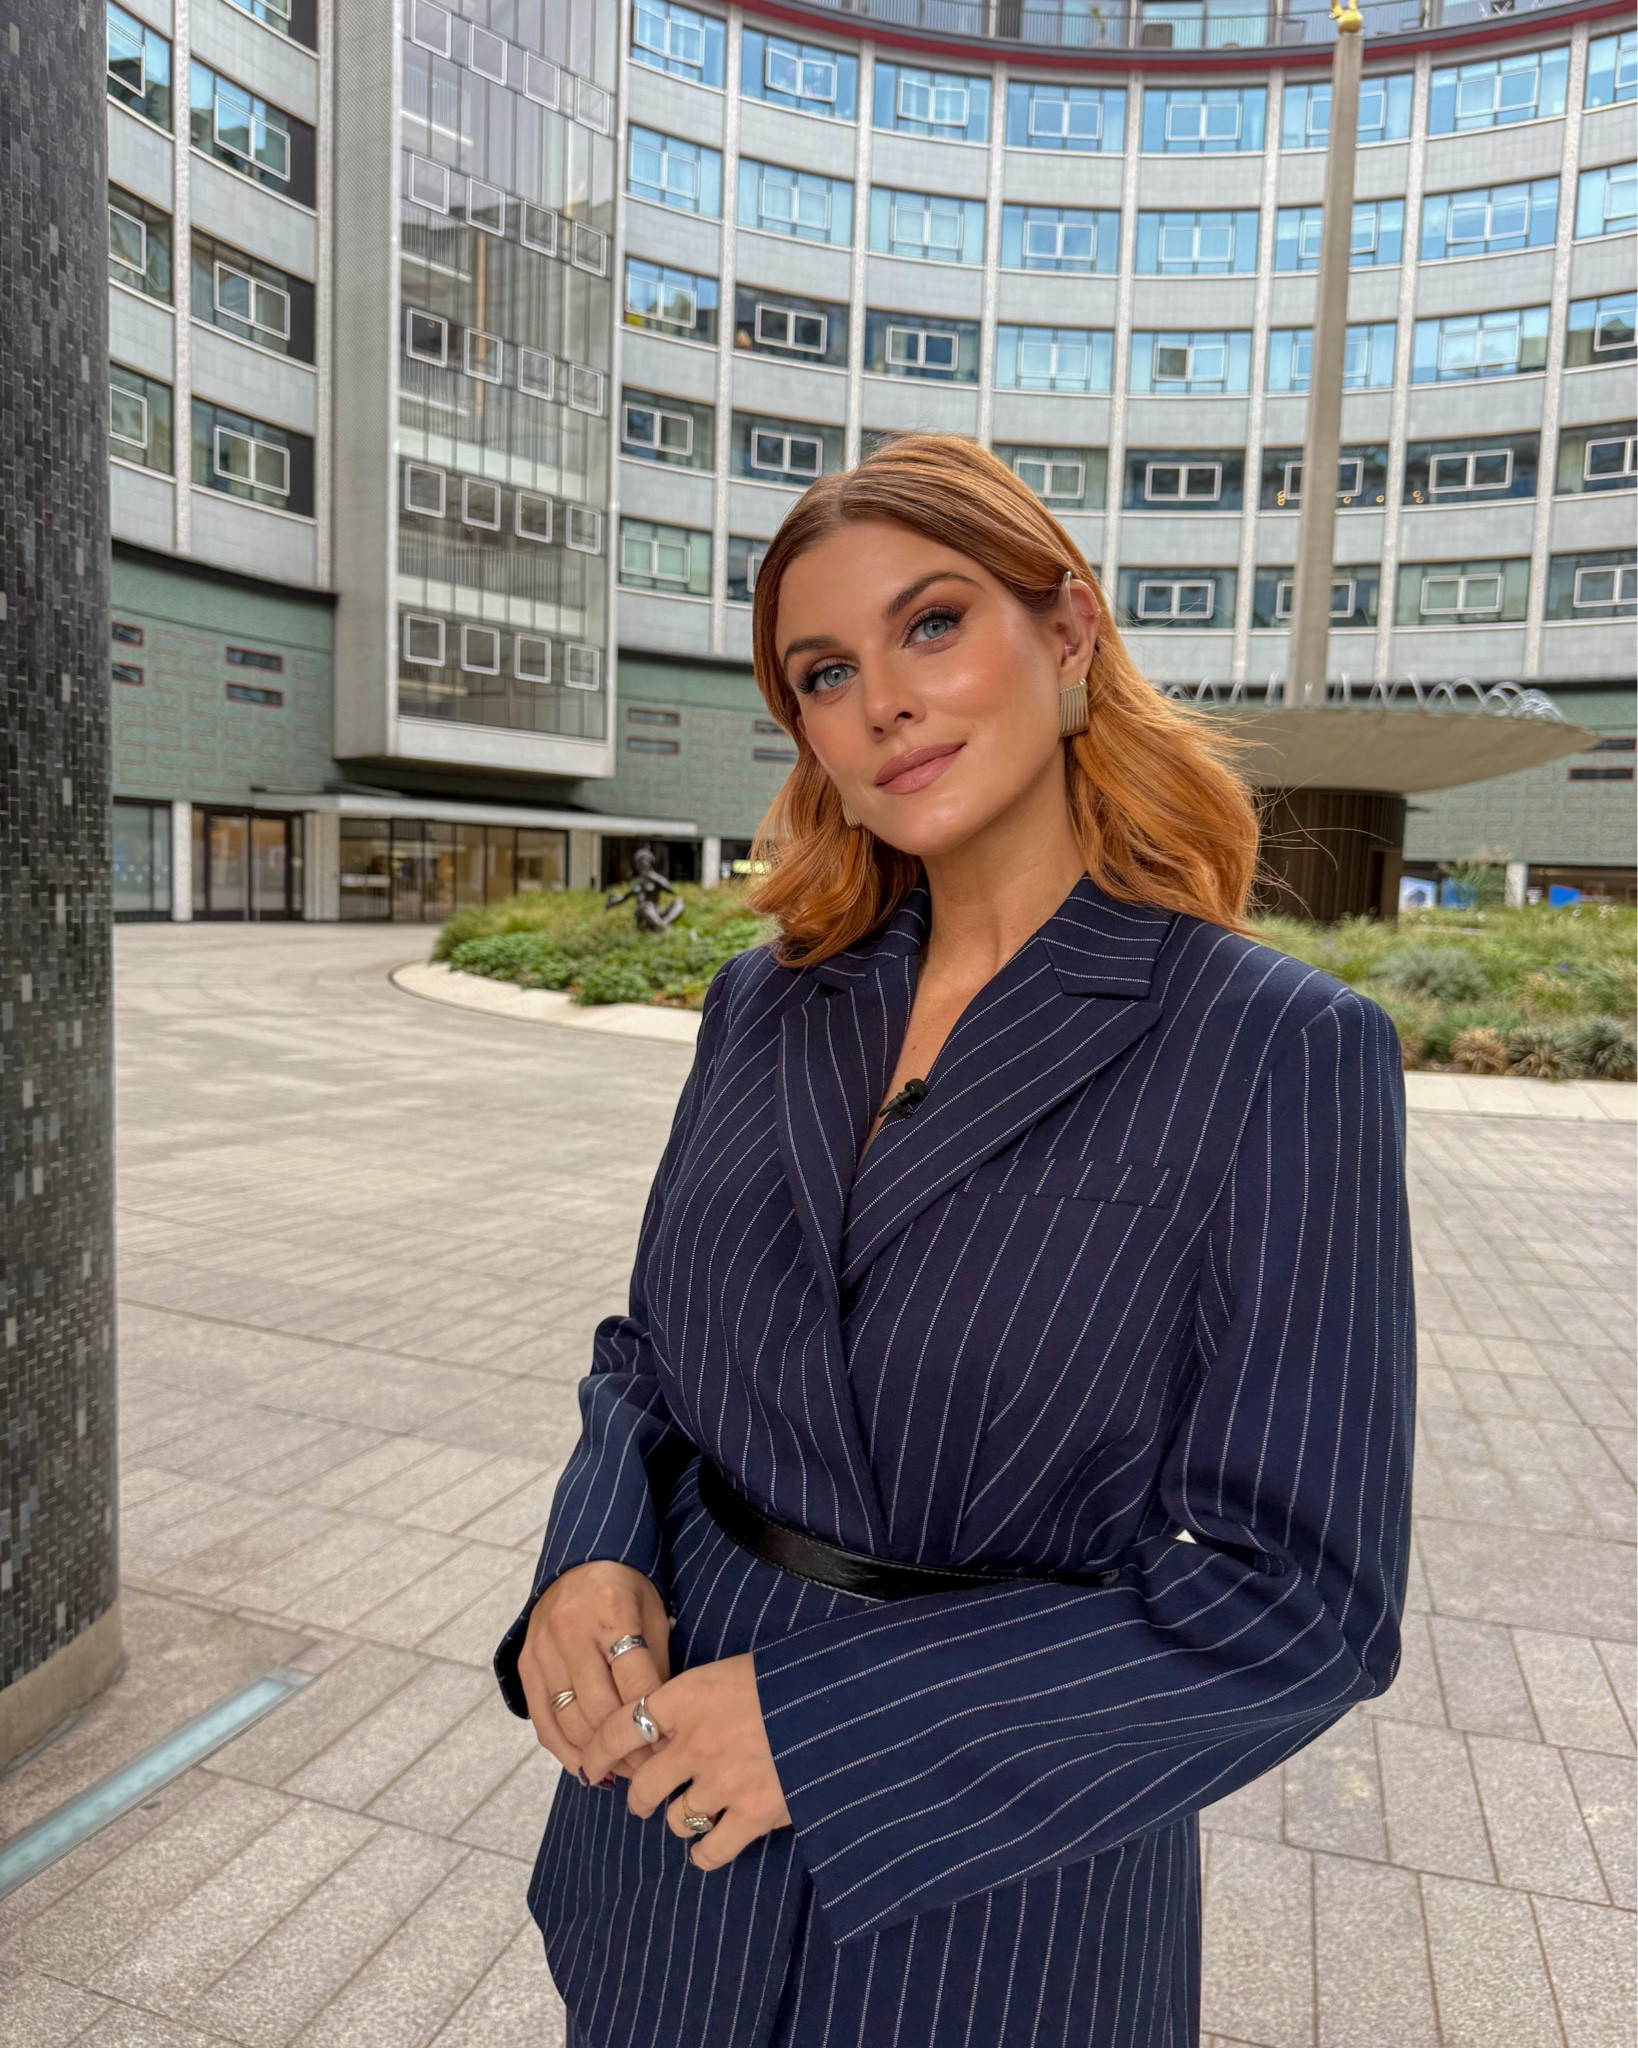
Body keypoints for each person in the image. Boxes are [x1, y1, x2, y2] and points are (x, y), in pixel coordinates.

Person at [492, 434, 1414, 2048]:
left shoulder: (1270, 1046)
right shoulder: (762, 1004)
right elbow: (651, 1358)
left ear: (1067, 638)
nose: (884, 700)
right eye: (824, 670)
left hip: (997, 1908)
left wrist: (836, 1737)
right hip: (658, 1855)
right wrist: (589, 1547)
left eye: (932, 625)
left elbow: (1302, 1601)